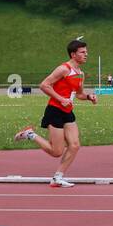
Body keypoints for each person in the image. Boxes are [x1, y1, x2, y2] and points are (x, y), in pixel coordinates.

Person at [13, 38, 98, 187]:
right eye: (83, 52)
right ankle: (30, 134)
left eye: (86, 52)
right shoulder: (63, 69)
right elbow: (44, 85)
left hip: (68, 111)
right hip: (55, 111)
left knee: (75, 145)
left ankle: (57, 177)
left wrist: (89, 97)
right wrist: (60, 99)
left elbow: (79, 94)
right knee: (56, 151)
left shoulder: (80, 73)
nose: (86, 55)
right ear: (73, 54)